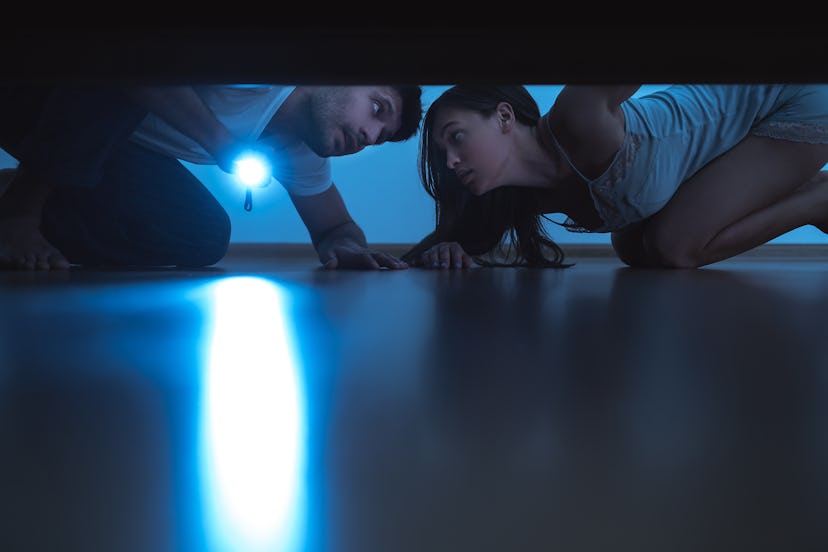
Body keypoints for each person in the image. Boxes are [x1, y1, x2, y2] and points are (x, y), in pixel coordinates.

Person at [400, 84, 828, 269]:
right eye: (443, 154)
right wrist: (449, 247)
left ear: (504, 117)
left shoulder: (577, 118)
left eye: (456, 138)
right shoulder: (522, 197)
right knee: (633, 248)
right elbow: (464, 238)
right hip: (739, 134)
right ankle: (796, 183)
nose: (452, 161)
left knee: (672, 247)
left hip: (790, 99)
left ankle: (817, 199)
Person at [0, 83, 422, 270]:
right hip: (42, 94)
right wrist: (221, 142)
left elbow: (335, 225)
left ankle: (11, 195)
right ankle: (19, 215)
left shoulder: (298, 149)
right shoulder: (257, 73)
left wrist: (347, 249)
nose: (366, 134)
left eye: (376, 139)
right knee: (127, 57)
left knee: (201, 236)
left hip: (102, 148)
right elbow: (132, 57)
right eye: (376, 108)